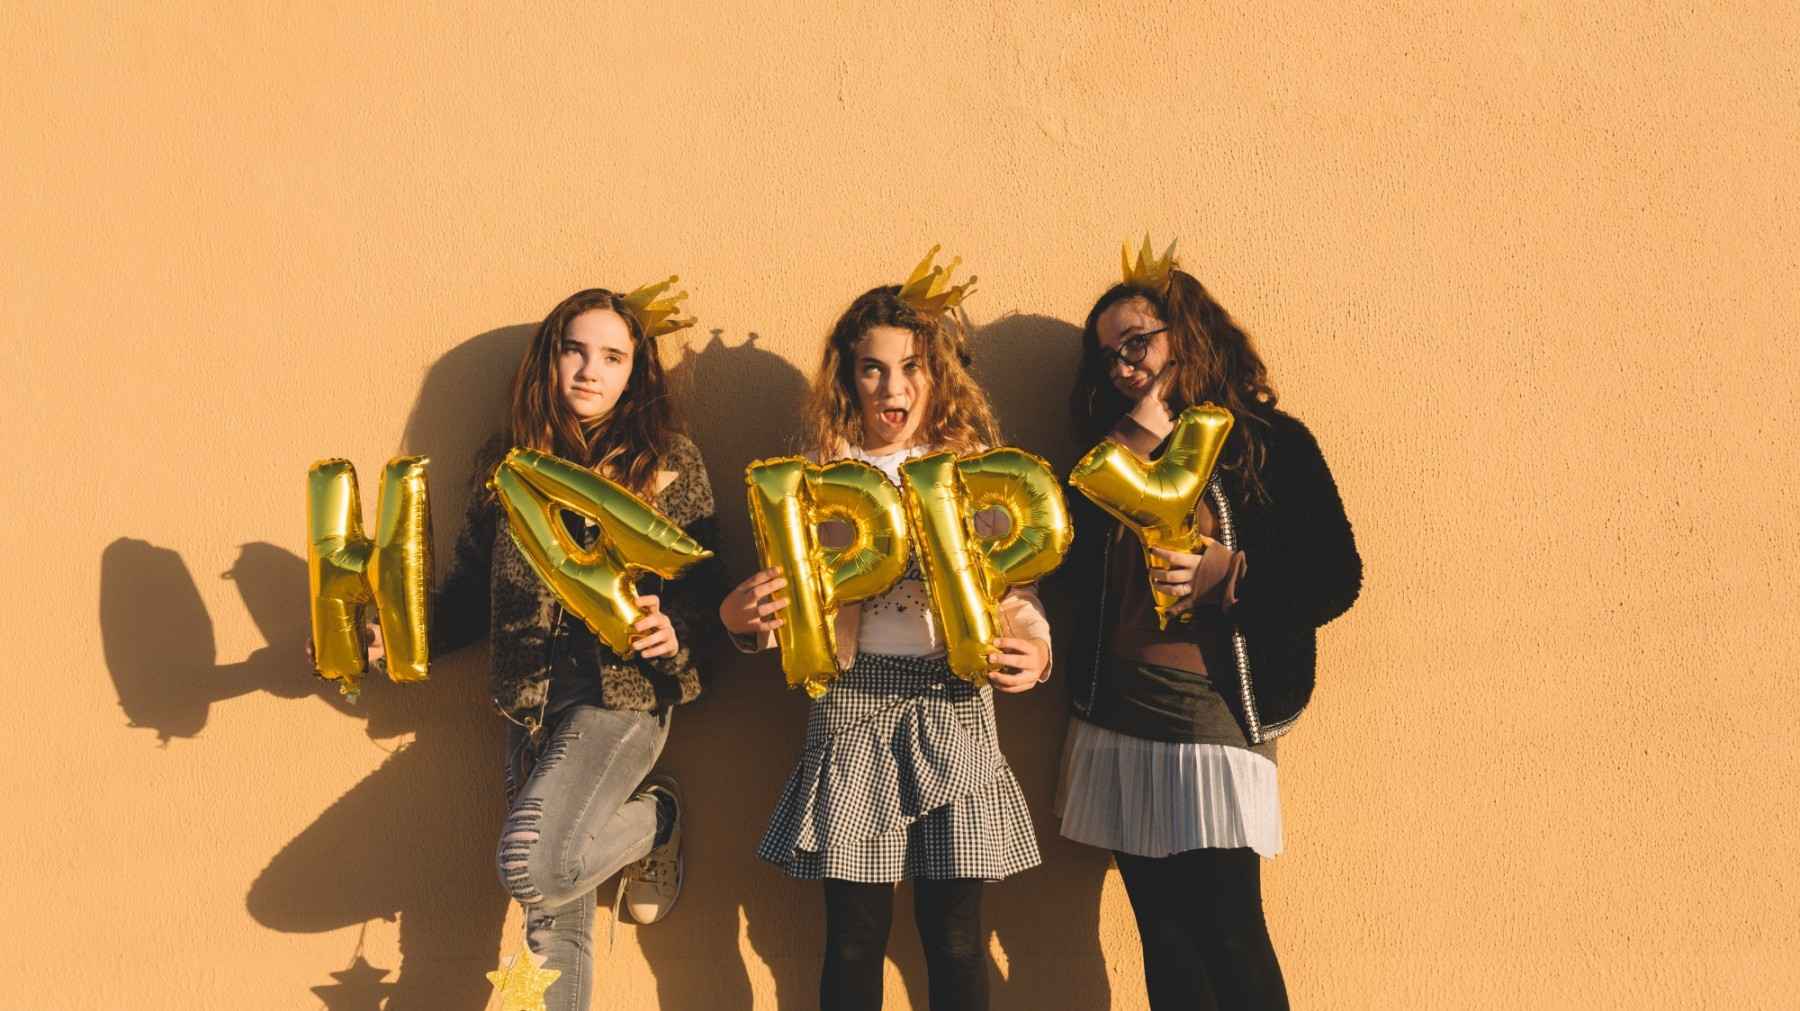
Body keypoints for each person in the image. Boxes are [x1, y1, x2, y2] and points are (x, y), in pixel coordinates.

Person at [722, 259, 1051, 1011]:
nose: (892, 389)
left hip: (954, 698)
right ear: (847, 378)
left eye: (911, 368)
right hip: (853, 703)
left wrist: (1034, 648)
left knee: (958, 937)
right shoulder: (816, 476)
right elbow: (788, 601)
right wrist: (741, 626)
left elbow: (1014, 589)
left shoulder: (971, 471)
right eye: (871, 369)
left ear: (940, 375)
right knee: (853, 936)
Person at [383, 284, 722, 1011]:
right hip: (530, 704)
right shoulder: (508, 464)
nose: (589, 371)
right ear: (550, 359)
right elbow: (472, 588)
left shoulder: (669, 463)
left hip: (622, 701)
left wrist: (679, 632)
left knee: (531, 863)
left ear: (636, 372)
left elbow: (704, 581)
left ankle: (656, 818)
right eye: (575, 350)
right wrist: (406, 637)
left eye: (611, 356)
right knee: (554, 916)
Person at [1054, 244, 1362, 1010]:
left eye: (1137, 342)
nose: (1123, 364)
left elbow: (1336, 575)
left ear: (1184, 331)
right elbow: (1073, 583)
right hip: (1118, 717)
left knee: (1230, 928)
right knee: (1163, 936)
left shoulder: (1266, 443)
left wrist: (1230, 575)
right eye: (1108, 356)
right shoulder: (1100, 459)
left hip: (1218, 716)